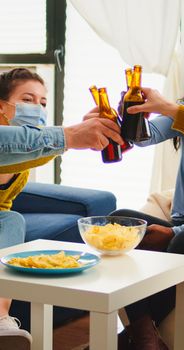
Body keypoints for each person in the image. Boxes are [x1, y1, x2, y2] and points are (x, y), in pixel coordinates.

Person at [0, 68, 123, 350]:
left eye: (43, 102)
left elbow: (34, 148)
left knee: (11, 220)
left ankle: (1, 319)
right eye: (28, 99)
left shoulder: (30, 155)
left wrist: (81, 133)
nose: (38, 107)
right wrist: (69, 136)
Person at [108, 72, 184, 350]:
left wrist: (174, 232)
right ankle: (145, 332)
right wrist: (133, 116)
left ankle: (140, 336)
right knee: (119, 222)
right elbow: (146, 137)